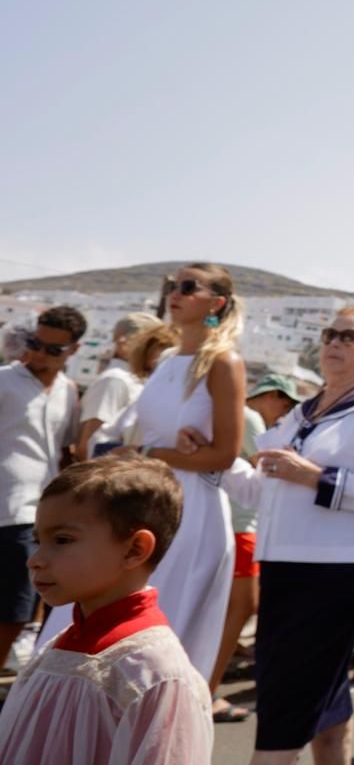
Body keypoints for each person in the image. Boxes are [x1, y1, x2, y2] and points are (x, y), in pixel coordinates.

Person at [202, 306, 354, 765]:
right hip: (285, 562)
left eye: (349, 337)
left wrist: (315, 475)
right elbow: (259, 488)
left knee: (288, 687)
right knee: (320, 689)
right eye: (330, 334)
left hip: (338, 567)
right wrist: (212, 456)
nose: (334, 343)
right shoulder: (301, 413)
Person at [40, 264, 246, 674]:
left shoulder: (223, 363)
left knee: (158, 633)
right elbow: (135, 436)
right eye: (172, 285)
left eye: (189, 287)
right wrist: (144, 452)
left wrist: (157, 452)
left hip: (191, 511)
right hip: (146, 497)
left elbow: (224, 454)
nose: (176, 293)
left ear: (216, 304)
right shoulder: (168, 360)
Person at [0, 457, 211, 763]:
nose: (35, 560)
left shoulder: (154, 673)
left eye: (62, 540)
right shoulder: (57, 648)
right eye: (38, 541)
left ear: (134, 549)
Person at [208, 373, 302, 723]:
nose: (285, 411)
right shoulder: (248, 418)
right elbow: (262, 470)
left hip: (233, 524)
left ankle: (207, 686)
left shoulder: (235, 415)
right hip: (240, 525)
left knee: (226, 611)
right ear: (273, 396)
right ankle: (206, 689)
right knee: (242, 607)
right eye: (286, 402)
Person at [0, 304, 85, 673]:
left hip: (40, 513)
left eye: (53, 349)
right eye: (36, 343)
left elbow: (66, 451)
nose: (39, 353)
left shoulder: (68, 391)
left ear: (73, 351)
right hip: (8, 508)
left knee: (22, 607)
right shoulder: (5, 381)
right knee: (13, 609)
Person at [74, 312, 164, 459]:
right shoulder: (116, 380)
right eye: (153, 344)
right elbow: (86, 445)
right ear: (124, 342)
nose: (159, 351)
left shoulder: (136, 381)